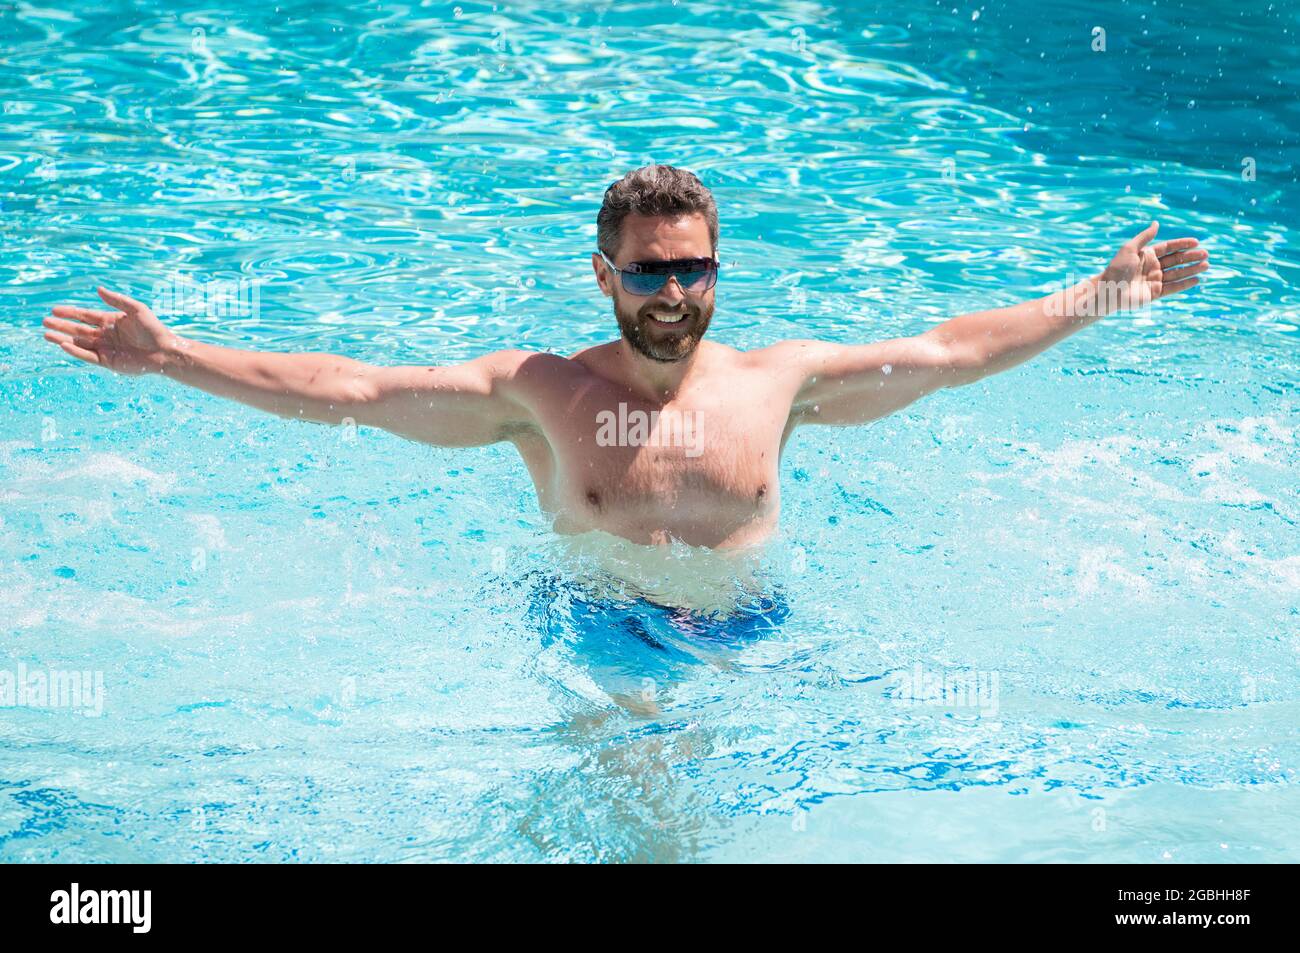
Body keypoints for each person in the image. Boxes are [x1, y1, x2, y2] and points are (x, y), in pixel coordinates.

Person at [42, 164, 1209, 555]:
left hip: (754, 635)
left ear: (717, 269)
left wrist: (1104, 291)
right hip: (598, 637)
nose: (672, 293)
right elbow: (352, 388)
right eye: (647, 272)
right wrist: (177, 355)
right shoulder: (540, 395)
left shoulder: (777, 383)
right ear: (603, 274)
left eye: (691, 269)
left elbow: (950, 352)